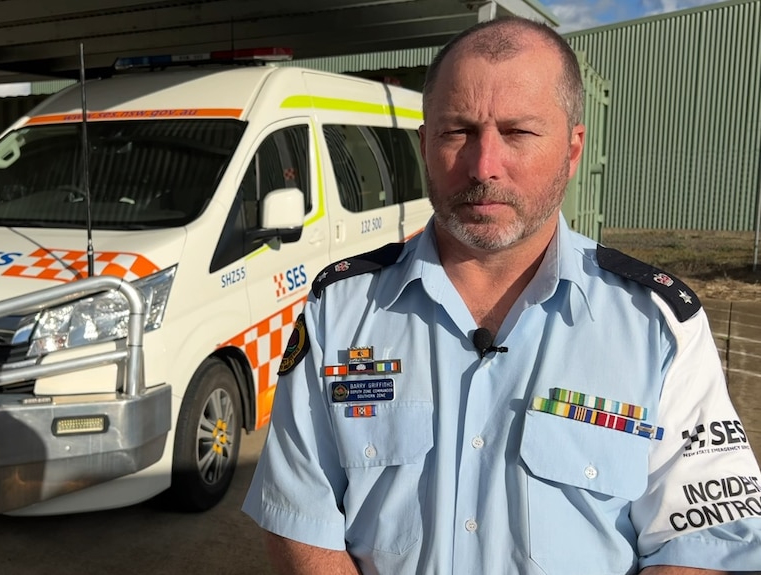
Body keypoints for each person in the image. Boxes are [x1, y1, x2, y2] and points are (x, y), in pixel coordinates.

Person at [242, 16, 761, 574]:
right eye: (457, 131)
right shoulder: (339, 311)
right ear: (424, 145)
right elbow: (301, 521)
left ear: (572, 148)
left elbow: (704, 544)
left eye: (518, 132)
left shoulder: (657, 323)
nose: (483, 165)